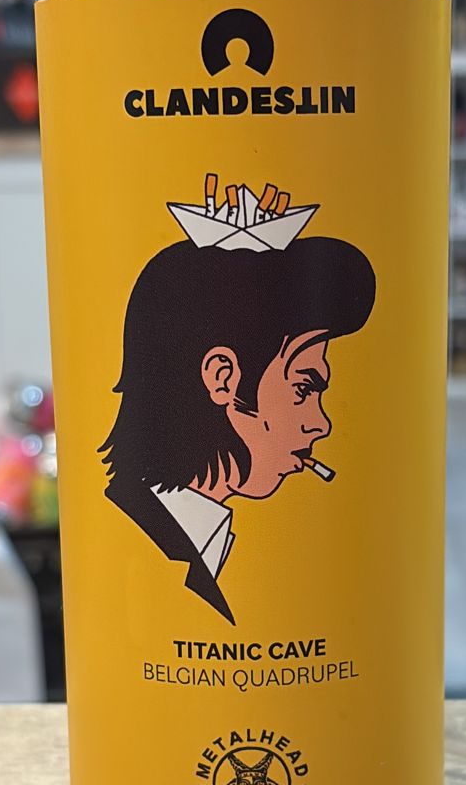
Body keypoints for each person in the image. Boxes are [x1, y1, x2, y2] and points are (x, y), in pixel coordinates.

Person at [100, 229, 375, 622]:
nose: (321, 425)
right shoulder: (135, 540)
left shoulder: (189, 534)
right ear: (222, 379)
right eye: (302, 389)